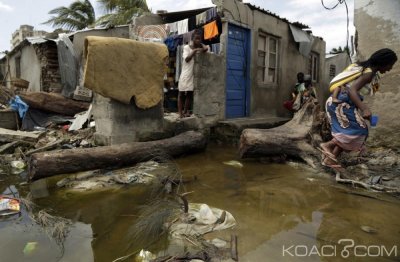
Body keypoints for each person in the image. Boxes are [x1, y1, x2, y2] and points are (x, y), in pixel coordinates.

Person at [320, 48, 397, 168]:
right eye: (390, 65)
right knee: (359, 131)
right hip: (341, 103)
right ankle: (328, 146)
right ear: (383, 62)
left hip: (338, 103)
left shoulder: (365, 68)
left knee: (349, 131)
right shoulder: (369, 73)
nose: (389, 69)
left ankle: (330, 159)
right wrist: (364, 109)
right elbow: (352, 90)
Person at [177, 29, 208, 118]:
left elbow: (206, 49)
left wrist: (199, 46)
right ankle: (180, 113)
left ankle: (185, 112)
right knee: (181, 93)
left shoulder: (199, 48)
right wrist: (194, 51)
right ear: (192, 39)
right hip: (186, 74)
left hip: (193, 75)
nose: (198, 40)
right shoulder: (187, 47)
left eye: (199, 39)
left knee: (189, 94)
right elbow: (187, 59)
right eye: (196, 39)